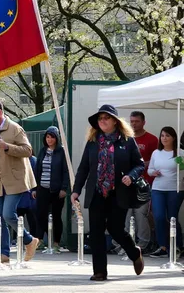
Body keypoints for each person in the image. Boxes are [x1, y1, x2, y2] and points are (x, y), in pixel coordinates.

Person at [71, 104, 145, 281]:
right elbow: (84, 168)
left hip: (118, 192)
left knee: (115, 229)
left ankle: (134, 253)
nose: (102, 121)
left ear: (115, 121)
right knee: (96, 231)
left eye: (106, 118)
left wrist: (131, 175)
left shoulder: (127, 140)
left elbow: (139, 164)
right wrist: (76, 191)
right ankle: (100, 271)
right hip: (97, 192)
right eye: (100, 118)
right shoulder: (93, 141)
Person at [0, 99, 39, 265]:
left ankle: (29, 241)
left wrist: (7, 147)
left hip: (15, 180)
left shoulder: (15, 129)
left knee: (8, 214)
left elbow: (28, 150)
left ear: (0, 112)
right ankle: (3, 254)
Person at [147, 126, 182, 258]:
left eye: (167, 135)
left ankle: (177, 246)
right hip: (158, 189)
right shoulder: (156, 153)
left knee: (172, 217)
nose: (164, 138)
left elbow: (183, 171)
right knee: (159, 217)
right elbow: (149, 170)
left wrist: (181, 164)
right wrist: (153, 172)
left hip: (175, 189)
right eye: (162, 136)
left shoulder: (180, 152)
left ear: (173, 138)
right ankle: (162, 246)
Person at [33, 126, 69, 252]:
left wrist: (64, 188)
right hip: (42, 188)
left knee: (56, 216)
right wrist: (34, 188)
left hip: (56, 190)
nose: (49, 140)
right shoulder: (42, 151)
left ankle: (56, 243)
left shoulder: (62, 152)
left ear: (57, 138)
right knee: (40, 214)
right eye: (47, 137)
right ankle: (40, 240)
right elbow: (37, 170)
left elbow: (66, 171)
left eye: (52, 137)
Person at [128, 111, 157, 251]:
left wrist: (143, 164)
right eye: (131, 121)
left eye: (136, 121)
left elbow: (158, 159)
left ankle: (143, 243)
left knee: (141, 213)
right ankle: (125, 243)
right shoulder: (126, 138)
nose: (133, 124)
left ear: (143, 122)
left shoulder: (152, 139)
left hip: (145, 184)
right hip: (127, 184)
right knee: (126, 213)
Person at [17, 155, 38, 242]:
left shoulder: (33, 160)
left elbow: (36, 176)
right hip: (19, 194)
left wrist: (34, 189)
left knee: (32, 219)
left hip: (30, 195)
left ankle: (33, 238)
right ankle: (18, 239)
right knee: (18, 219)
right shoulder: (16, 159)